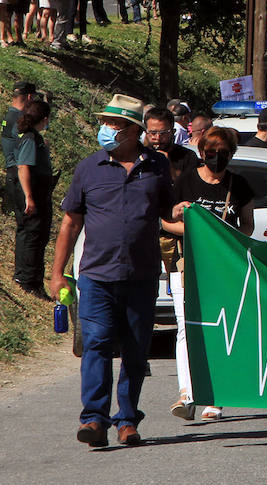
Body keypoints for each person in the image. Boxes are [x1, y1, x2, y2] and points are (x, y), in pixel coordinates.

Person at [48, 95, 171, 448]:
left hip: (142, 276)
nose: (108, 129)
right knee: (97, 345)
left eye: (116, 124)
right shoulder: (88, 168)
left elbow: (168, 214)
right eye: (107, 123)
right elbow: (70, 223)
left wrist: (188, 212)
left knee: (135, 351)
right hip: (96, 276)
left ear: (135, 131)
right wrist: (58, 273)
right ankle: (94, 419)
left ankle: (128, 420)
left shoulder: (157, 167)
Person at [161, 126, 255, 422]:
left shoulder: (238, 185)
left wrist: (224, 237)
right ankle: (187, 394)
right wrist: (196, 232)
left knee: (218, 328)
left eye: (223, 154)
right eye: (211, 153)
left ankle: (215, 397)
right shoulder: (185, 181)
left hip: (222, 266)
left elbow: (248, 226)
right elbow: (165, 222)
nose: (217, 159)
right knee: (185, 328)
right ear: (202, 153)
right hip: (185, 263)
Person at [11, 98, 54, 297]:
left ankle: (34, 279)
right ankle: (26, 279)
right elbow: (23, 167)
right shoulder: (29, 137)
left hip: (39, 192)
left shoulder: (33, 137)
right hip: (32, 193)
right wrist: (29, 196)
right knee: (31, 235)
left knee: (37, 235)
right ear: (44, 119)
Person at [2, 80, 37, 215]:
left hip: (12, 172)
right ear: (29, 97)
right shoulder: (19, 120)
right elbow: (24, 149)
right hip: (19, 177)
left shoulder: (8, 116)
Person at [143, 107, 199, 183]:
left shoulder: (188, 156)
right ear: (146, 133)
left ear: (173, 132)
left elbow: (190, 186)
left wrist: (168, 166)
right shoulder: (139, 156)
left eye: (163, 133)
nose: (158, 138)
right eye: (153, 133)